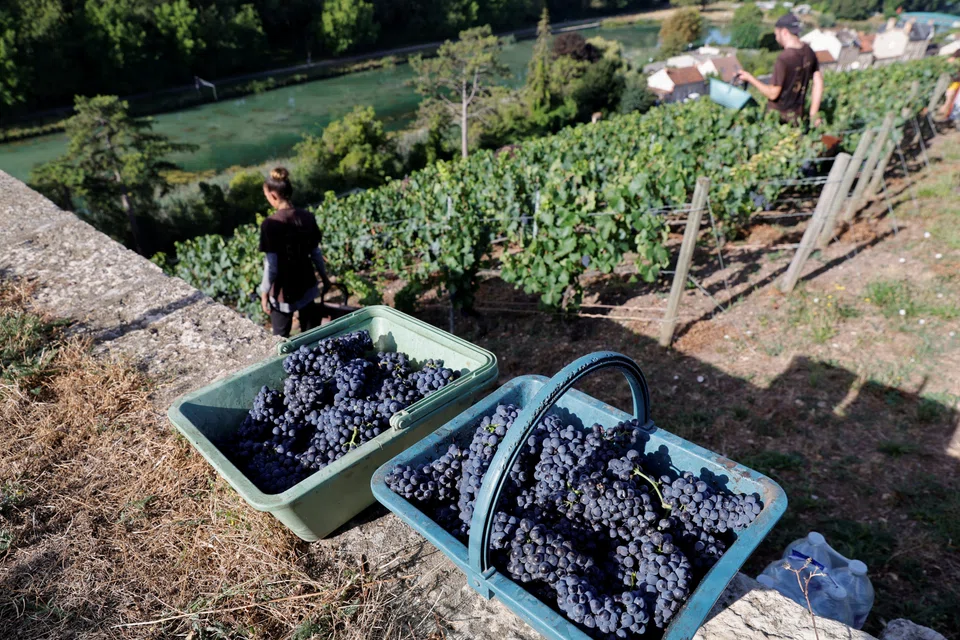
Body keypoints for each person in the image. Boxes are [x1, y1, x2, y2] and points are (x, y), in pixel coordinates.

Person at [258, 167, 333, 337]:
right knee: (310, 336)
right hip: (307, 284)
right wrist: (325, 278)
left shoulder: (270, 224)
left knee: (280, 339)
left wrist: (264, 293)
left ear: (273, 196)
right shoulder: (307, 217)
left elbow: (272, 266)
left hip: (283, 293)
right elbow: (316, 254)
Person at [735, 13, 824, 127]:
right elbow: (818, 81)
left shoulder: (784, 58)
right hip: (798, 118)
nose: (776, 38)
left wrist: (750, 78)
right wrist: (813, 113)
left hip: (778, 121)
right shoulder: (808, 51)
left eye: (777, 34)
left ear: (784, 32)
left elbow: (773, 94)